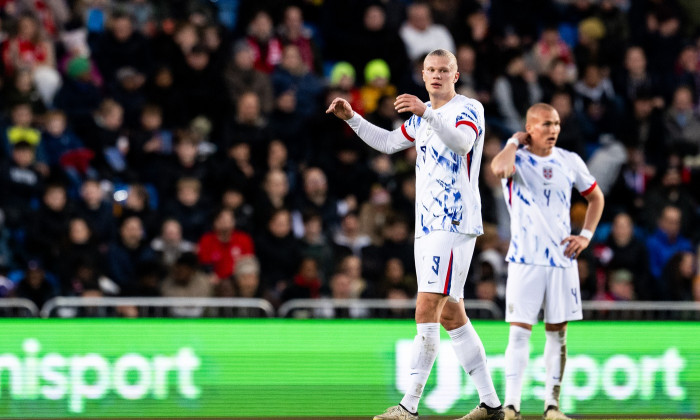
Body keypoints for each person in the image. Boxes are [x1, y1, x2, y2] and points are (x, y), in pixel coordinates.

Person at [327, 48, 503, 420]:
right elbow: (390, 143)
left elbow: (463, 143)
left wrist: (427, 112)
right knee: (452, 316)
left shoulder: (468, 108)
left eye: (444, 70)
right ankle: (491, 405)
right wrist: (352, 119)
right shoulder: (424, 118)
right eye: (430, 70)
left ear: (455, 76)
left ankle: (409, 407)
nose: (437, 75)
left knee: (425, 307)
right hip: (427, 226)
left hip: (453, 222)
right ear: (423, 76)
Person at [490, 103, 605, 420]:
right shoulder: (517, 158)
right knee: (519, 333)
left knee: (558, 333)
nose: (553, 129)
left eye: (556, 123)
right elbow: (498, 169)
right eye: (544, 124)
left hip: (562, 260)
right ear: (529, 128)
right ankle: (511, 405)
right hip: (525, 259)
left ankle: (552, 406)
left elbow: (596, 197)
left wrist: (586, 236)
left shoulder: (569, 160)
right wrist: (513, 142)